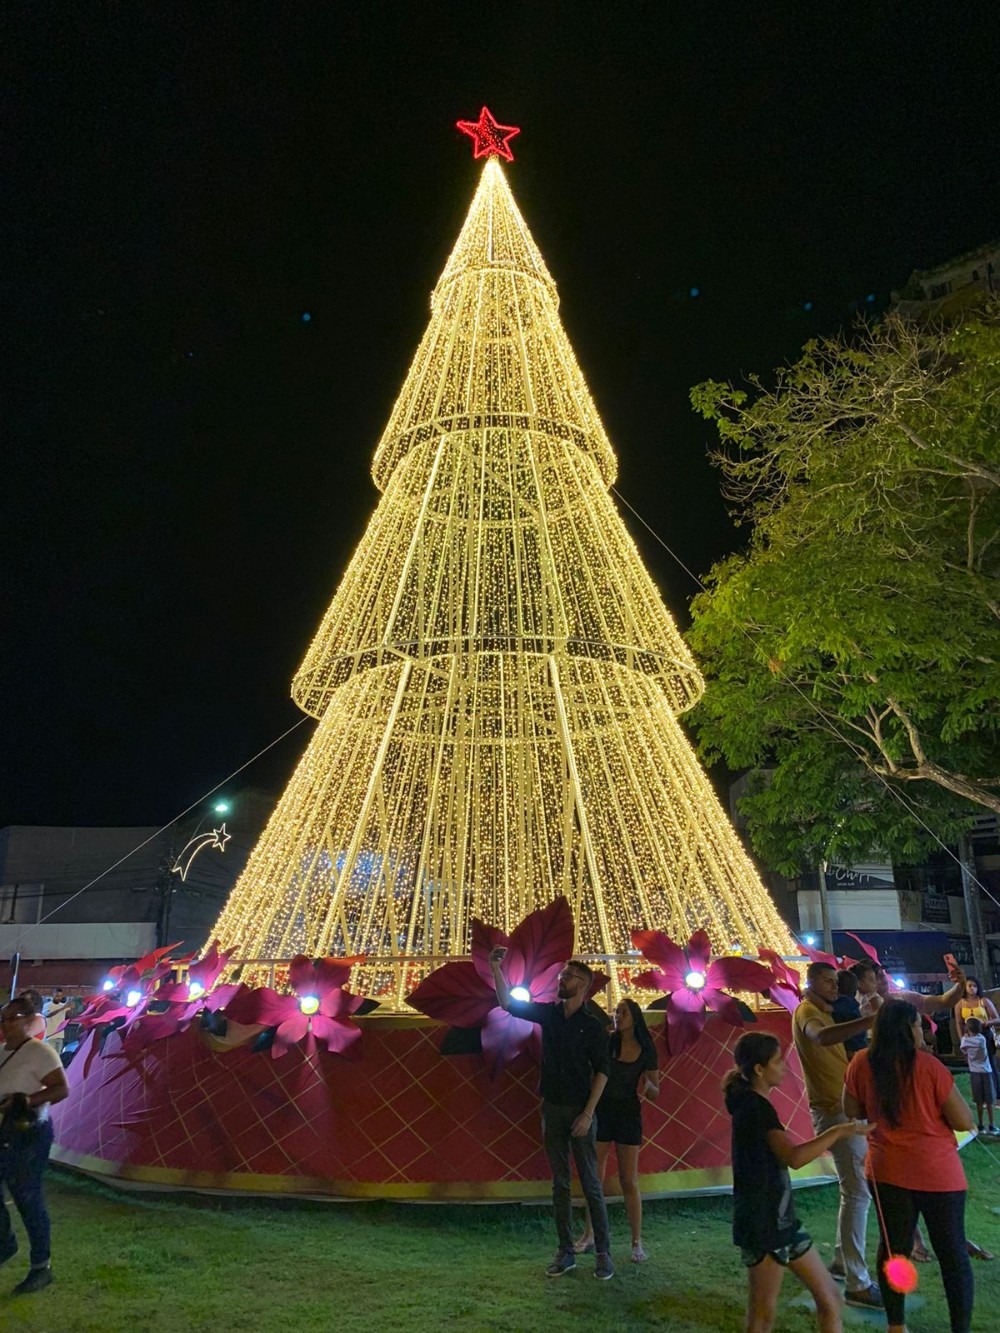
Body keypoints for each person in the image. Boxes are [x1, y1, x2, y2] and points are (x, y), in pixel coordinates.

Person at [724, 1030, 872, 1333]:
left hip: (783, 1223)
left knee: (830, 1298)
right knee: (762, 1317)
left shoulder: (754, 1104)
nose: (784, 1067)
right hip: (764, 1225)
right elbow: (793, 1156)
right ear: (759, 1070)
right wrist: (838, 1132)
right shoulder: (755, 1108)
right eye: (778, 1062)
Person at [843, 1000, 975, 1333]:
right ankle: (960, 1327)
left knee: (894, 1250)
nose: (922, 1030)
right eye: (918, 1024)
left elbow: (852, 1109)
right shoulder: (929, 1067)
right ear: (906, 1029)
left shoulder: (861, 1063)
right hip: (938, 1175)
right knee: (952, 1255)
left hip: (888, 1172)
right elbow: (963, 1121)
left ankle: (896, 1325)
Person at [489, 949, 614, 1279]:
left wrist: (588, 1113)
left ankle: (603, 1253)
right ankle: (566, 1251)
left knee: (590, 1184)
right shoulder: (550, 1015)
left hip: (580, 1112)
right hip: (553, 1109)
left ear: (584, 985)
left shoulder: (593, 1025)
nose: (561, 979)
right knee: (560, 1184)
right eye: (562, 976)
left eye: (568, 977)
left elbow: (603, 1072)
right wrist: (495, 968)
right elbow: (508, 1004)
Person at [792, 960, 883, 1309]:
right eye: (827, 981)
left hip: (841, 1107)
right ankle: (858, 1281)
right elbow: (821, 1037)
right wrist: (869, 1021)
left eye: (835, 980)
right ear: (811, 983)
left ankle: (844, 1264)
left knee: (853, 1191)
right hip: (834, 1110)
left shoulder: (825, 1011)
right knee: (858, 1192)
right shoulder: (807, 1013)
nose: (834, 986)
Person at [573, 998, 659, 1263]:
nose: (617, 1016)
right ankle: (589, 1234)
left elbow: (656, 1089)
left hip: (629, 1115)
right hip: (603, 1111)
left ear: (634, 1017)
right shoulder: (609, 1043)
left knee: (628, 1180)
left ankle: (636, 1241)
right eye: (616, 1012)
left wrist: (650, 1089)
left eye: (622, 1012)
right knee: (594, 1178)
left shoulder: (646, 1048)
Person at [0, 995, 70, 1294]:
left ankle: (41, 1267)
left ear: (29, 1020)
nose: (6, 1023)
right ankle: (5, 1244)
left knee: (28, 1198)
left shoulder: (40, 1052)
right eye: (3, 1018)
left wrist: (25, 1101)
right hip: (4, 1133)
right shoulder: (2, 1052)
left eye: (13, 1018)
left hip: (29, 1133)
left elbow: (61, 1088)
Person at [956, 977, 1000, 1088]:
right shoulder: (959, 1004)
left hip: (985, 1035)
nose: (972, 989)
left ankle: (997, 1092)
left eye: (975, 986)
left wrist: (985, 1023)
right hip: (970, 1037)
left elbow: (997, 1018)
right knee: (975, 1066)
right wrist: (962, 1039)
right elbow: (959, 1023)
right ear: (964, 988)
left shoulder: (984, 1001)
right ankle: (982, 1094)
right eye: (970, 986)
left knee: (991, 1063)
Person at [959, 1017, 997, 1136]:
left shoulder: (965, 1040)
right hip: (986, 1071)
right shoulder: (982, 1039)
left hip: (975, 1072)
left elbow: (964, 1050)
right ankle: (991, 1125)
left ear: (968, 1028)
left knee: (979, 1101)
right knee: (989, 1101)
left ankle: (980, 1125)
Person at [832, 972, 867, 1054]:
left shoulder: (842, 1002)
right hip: (859, 1043)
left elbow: (825, 1007)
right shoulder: (851, 1001)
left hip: (853, 1047)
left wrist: (810, 994)